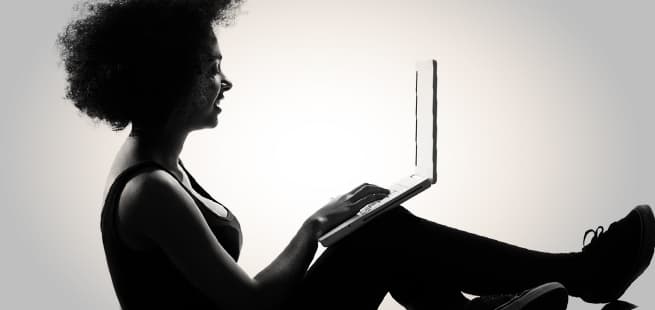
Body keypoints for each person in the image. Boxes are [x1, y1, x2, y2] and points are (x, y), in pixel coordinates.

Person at [57, 1, 654, 309]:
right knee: (380, 236)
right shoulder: (150, 190)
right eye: (214, 70)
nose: (226, 83)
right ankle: (580, 276)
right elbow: (254, 305)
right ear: (169, 79)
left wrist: (330, 228)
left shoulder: (159, 163)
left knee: (379, 235)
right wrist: (314, 227)